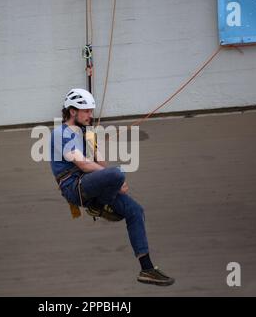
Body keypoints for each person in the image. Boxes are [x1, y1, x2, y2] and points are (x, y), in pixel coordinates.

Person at [50, 88, 174, 286]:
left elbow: (99, 161)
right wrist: (114, 178)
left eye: (91, 111)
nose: (91, 115)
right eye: (87, 111)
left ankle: (147, 268)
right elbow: (82, 164)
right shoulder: (61, 133)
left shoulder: (86, 133)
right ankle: (98, 206)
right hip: (75, 186)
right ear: (73, 111)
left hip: (92, 184)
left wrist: (115, 182)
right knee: (117, 173)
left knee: (135, 210)